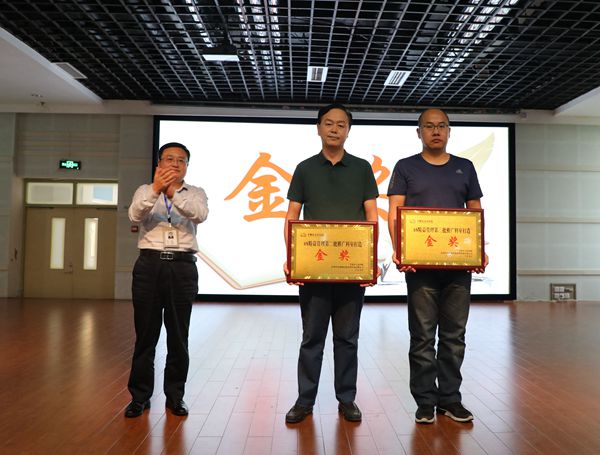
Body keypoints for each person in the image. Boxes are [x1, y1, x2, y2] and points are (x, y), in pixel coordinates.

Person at [387, 108, 487, 424]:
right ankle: (425, 402)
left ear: (449, 131)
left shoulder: (465, 167)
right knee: (422, 337)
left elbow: (475, 212)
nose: (436, 131)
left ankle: (450, 399)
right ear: (419, 132)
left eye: (441, 126)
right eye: (429, 126)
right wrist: (400, 250)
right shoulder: (405, 167)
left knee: (455, 337)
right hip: (420, 268)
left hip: (458, 268)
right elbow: (395, 212)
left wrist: (479, 251)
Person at [283, 103, 379, 424]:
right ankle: (304, 401)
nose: (335, 129)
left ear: (348, 130)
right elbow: (292, 216)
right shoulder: (305, 168)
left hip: (352, 270)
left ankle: (346, 399)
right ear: (318, 128)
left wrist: (370, 259)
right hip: (314, 269)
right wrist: (292, 258)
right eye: (328, 123)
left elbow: (372, 215)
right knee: (312, 338)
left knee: (347, 339)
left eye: (341, 124)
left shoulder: (362, 168)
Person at [124, 142, 209, 418]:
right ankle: (139, 398)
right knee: (145, 336)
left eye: (181, 160)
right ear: (158, 164)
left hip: (182, 267)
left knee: (178, 336)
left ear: (187, 166)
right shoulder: (144, 190)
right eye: (169, 159)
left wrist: (172, 192)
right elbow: (135, 214)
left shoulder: (195, 193)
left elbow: (200, 214)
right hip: (149, 266)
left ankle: (175, 397)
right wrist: (157, 190)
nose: (175, 164)